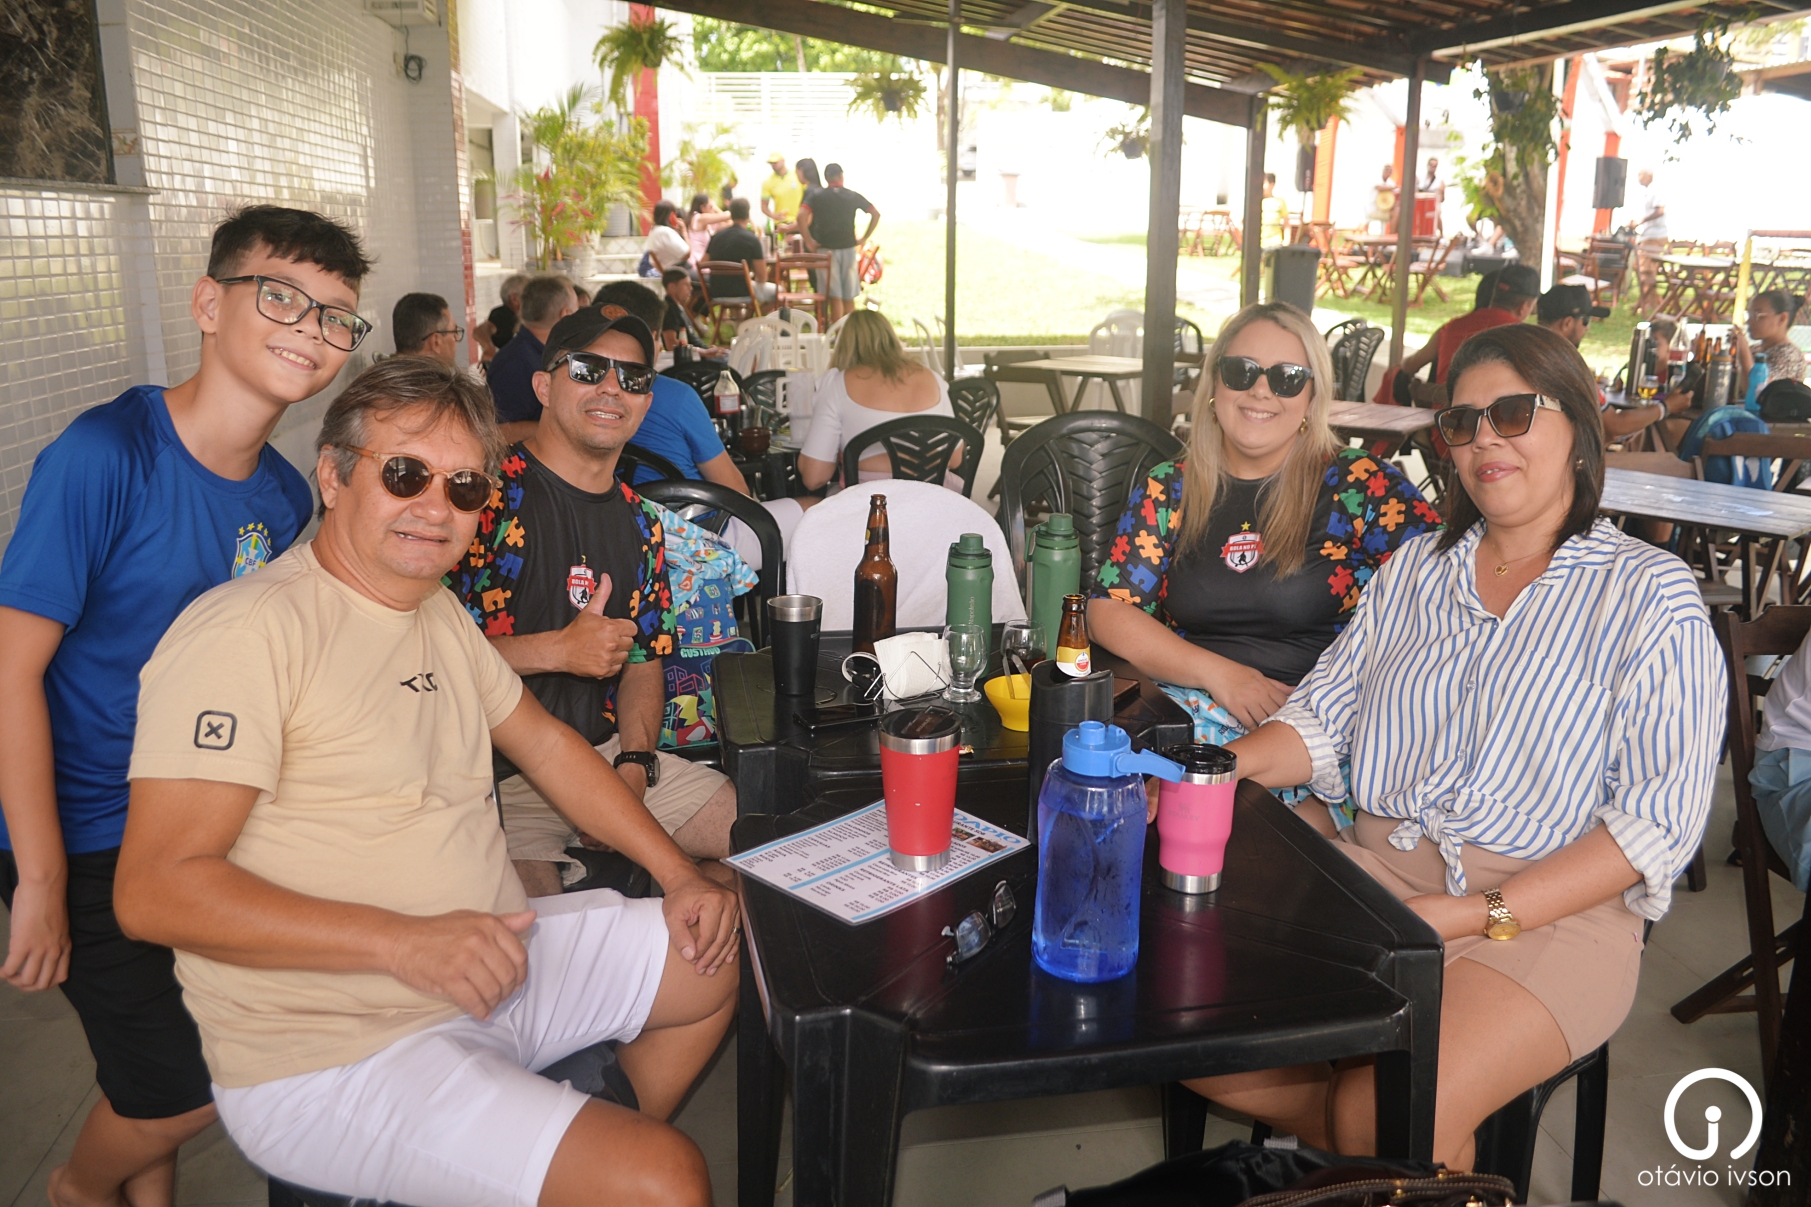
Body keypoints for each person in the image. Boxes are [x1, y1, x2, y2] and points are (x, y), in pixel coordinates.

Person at [114, 356, 739, 1207]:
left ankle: (561, 1168)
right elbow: (153, 891)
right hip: (336, 1047)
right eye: (404, 474)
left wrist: (677, 874)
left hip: (489, 957)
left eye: (464, 487)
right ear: (333, 476)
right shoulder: (246, 632)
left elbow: (547, 746)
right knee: (662, 1179)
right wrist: (405, 942)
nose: (434, 507)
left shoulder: (431, 609)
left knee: (719, 949)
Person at [1183, 323, 1723, 1168]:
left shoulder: (1649, 595)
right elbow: (1317, 722)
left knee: (1385, 1105)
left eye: (1512, 413)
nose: (1484, 441)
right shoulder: (1413, 572)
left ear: (1578, 427)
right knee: (1184, 1025)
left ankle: (1363, 1142)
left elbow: (1653, 825)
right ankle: (1381, 1155)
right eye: (1462, 423)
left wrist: (1474, 914)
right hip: (1374, 881)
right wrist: (1206, 774)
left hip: (1546, 916)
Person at [0, 204, 354, 1207]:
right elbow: (9, 671)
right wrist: (40, 877)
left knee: (168, 1045)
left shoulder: (281, 497)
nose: (309, 327)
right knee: (184, 1088)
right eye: (279, 295)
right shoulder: (105, 454)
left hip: (196, 816)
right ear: (208, 303)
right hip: (84, 828)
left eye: (334, 314)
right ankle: (78, 1188)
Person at [1089, 302, 1438, 827]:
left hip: (1313, 731)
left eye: (1287, 377)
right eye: (1241, 371)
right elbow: (1108, 610)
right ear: (1214, 383)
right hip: (1185, 712)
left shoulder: (1361, 485)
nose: (1260, 390)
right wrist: (1220, 674)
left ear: (1313, 395)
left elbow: (1448, 590)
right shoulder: (1172, 486)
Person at [445, 307, 740, 898]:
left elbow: (644, 661)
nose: (611, 388)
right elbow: (421, 652)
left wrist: (635, 763)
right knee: (537, 934)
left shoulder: (642, 523)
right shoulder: (480, 498)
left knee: (760, 856)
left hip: (606, 754)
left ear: (646, 402)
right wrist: (557, 650)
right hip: (496, 775)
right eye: (587, 369)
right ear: (543, 386)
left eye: (632, 378)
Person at [589, 281, 811, 568]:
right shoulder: (676, 397)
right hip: (694, 536)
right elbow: (736, 491)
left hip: (618, 536)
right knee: (817, 511)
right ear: (654, 338)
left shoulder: (581, 394)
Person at [798, 310, 958, 490]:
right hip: (937, 498)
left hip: (871, 501)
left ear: (844, 345)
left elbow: (814, 477)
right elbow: (955, 458)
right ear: (891, 338)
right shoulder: (932, 379)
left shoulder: (837, 385)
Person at [1390, 264, 1540, 392]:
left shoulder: (1451, 328)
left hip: (1443, 416)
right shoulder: (1526, 339)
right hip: (1492, 417)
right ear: (1524, 307)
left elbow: (1409, 366)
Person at [489, 273, 578, 443]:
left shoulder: (546, 353)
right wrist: (566, 428)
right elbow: (501, 431)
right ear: (566, 315)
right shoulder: (515, 363)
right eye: (576, 313)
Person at [796, 163, 879, 323]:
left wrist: (809, 241)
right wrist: (864, 238)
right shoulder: (852, 196)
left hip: (825, 251)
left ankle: (836, 331)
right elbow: (875, 213)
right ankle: (850, 331)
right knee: (848, 296)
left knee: (834, 297)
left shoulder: (817, 196)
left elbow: (801, 216)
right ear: (841, 176)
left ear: (826, 178)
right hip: (848, 249)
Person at [1733, 288, 1807, 395]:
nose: (1749, 321)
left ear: (1782, 318)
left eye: (1757, 315)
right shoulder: (1755, 349)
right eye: (1749, 315)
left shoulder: (1790, 356)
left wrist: (1743, 351)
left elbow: (1757, 392)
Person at [703, 197, 777, 304]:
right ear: (748, 215)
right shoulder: (752, 240)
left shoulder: (716, 237)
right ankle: (753, 315)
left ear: (731, 215)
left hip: (717, 292)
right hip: (745, 292)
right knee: (780, 292)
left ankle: (742, 315)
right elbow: (762, 277)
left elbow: (703, 263)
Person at [659, 269, 724, 357]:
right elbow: (671, 345)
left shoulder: (678, 306)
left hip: (700, 355)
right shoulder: (669, 310)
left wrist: (708, 350)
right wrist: (704, 352)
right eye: (686, 284)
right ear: (672, 287)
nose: (691, 288)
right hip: (692, 359)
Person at [1631, 169, 1668, 314]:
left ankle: (1649, 303)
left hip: (1655, 236)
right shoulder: (1647, 192)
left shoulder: (1655, 191)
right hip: (1647, 235)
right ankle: (1651, 301)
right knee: (1638, 267)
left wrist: (1642, 221)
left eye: (1640, 174)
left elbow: (1660, 211)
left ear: (1648, 176)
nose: (1638, 177)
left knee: (1646, 270)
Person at [392, 291, 462, 365]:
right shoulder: (436, 373)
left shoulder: (385, 370)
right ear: (436, 342)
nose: (457, 338)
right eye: (454, 332)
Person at [477, 271, 528, 361]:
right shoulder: (503, 314)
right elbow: (482, 329)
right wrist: (489, 348)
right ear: (514, 299)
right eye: (528, 295)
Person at [643, 200, 692, 277]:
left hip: (669, 273)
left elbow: (653, 262)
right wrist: (684, 232)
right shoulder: (666, 232)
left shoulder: (654, 231)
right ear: (671, 215)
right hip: (680, 271)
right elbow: (687, 254)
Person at [760, 152, 804, 233]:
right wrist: (773, 215)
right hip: (780, 224)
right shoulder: (768, 182)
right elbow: (764, 206)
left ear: (783, 161)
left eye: (775, 162)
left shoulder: (796, 176)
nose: (773, 165)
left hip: (798, 222)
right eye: (771, 163)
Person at [685, 192, 733, 265]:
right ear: (702, 208)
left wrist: (712, 206)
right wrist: (715, 208)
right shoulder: (699, 218)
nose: (712, 209)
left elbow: (729, 222)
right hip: (696, 262)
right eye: (710, 207)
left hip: (703, 262)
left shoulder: (707, 224)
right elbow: (727, 215)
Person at [1259, 172, 1288, 247]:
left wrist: (1286, 241)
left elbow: (1286, 223)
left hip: (1275, 242)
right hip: (1258, 243)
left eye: (1264, 183)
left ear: (1272, 185)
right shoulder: (1255, 203)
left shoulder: (1280, 202)